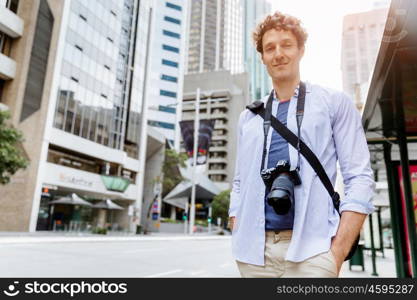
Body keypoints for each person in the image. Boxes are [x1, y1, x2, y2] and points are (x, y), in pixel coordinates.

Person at [228, 11, 375, 278]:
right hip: (253, 255)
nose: (278, 54)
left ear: (301, 50)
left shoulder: (333, 103)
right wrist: (236, 223)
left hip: (314, 251)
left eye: (286, 45)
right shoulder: (248, 117)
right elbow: (240, 182)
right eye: (270, 48)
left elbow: (360, 177)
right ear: (262, 57)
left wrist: (337, 253)